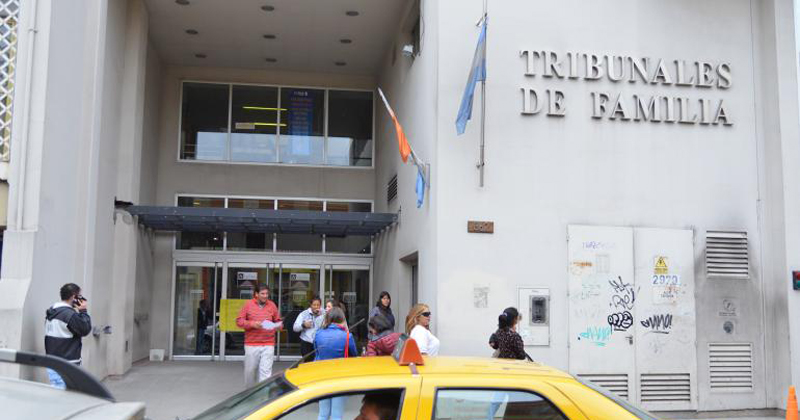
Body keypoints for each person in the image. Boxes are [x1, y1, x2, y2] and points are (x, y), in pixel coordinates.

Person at [44, 283, 92, 389]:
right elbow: (85, 329)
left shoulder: (52, 312)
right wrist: (83, 311)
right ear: (74, 297)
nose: (82, 299)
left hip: (52, 362)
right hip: (68, 365)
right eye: (80, 296)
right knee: (66, 395)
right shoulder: (69, 315)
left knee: (58, 393)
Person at [314, 307, 358, 420]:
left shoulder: (318, 334)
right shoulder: (347, 336)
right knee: (336, 415)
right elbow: (354, 356)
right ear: (342, 319)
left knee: (323, 414)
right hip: (340, 378)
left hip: (322, 376)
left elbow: (317, 354)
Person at [236, 283, 282, 388]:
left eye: (267, 294)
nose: (265, 296)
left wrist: (276, 326)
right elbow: (239, 321)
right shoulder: (248, 305)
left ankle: (263, 394)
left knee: (266, 373)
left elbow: (279, 322)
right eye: (262, 294)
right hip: (251, 344)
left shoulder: (272, 305)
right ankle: (250, 393)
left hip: (268, 344)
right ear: (256, 294)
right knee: (250, 372)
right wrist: (252, 324)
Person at [293, 296, 325, 360]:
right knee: (307, 363)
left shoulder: (324, 314)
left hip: (319, 343)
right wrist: (303, 325)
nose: (316, 307)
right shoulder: (304, 314)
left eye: (318, 305)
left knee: (318, 363)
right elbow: (295, 328)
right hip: (306, 343)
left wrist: (321, 316)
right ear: (310, 305)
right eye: (314, 305)